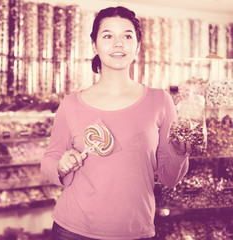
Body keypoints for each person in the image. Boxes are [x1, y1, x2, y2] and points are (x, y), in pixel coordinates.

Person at [41, 6, 191, 240]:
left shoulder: (160, 101)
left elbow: (169, 178)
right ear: (94, 45)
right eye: (108, 35)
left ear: (137, 47)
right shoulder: (71, 104)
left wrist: (180, 152)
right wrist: (61, 165)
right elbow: (48, 162)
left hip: (135, 230)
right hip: (72, 230)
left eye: (127, 36)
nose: (118, 43)